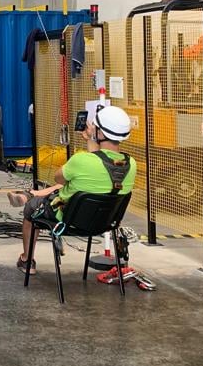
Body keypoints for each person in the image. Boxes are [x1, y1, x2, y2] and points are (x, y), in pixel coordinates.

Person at [10, 105, 137, 273]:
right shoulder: (131, 165)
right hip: (104, 222)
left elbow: (58, 178)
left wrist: (91, 140)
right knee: (75, 185)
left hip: (66, 217)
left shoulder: (81, 160)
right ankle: (31, 194)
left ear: (100, 133)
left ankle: (27, 260)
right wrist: (91, 140)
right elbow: (102, 163)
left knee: (31, 209)